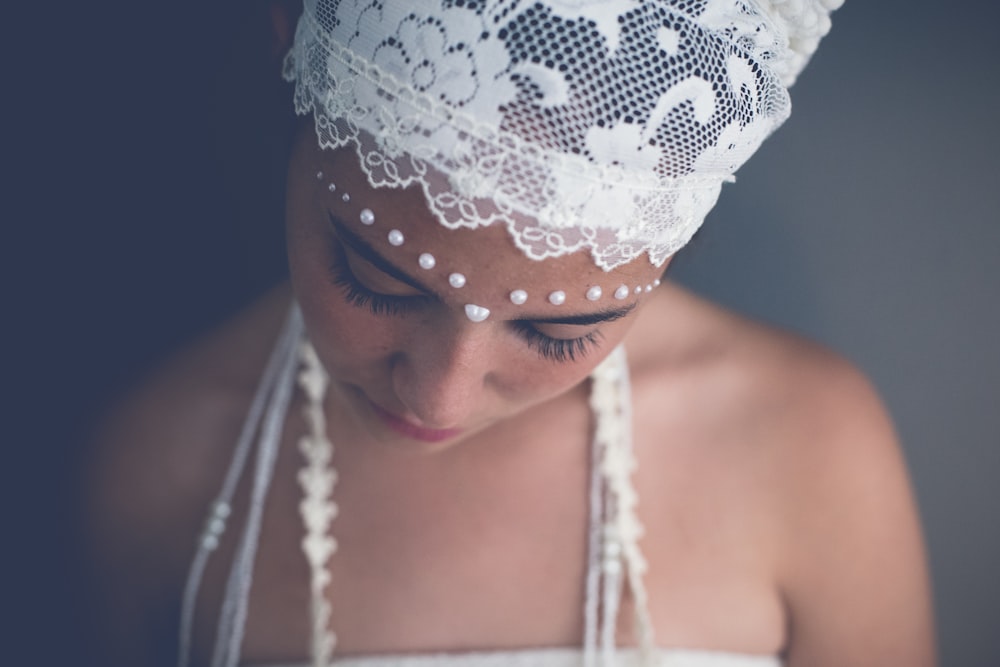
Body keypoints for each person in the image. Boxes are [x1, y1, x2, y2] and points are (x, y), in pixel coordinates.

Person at [87, 0, 935, 665]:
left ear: (669, 249)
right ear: (291, 50)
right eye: (376, 279)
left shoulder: (808, 445)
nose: (437, 394)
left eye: (560, 331)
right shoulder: (155, 471)